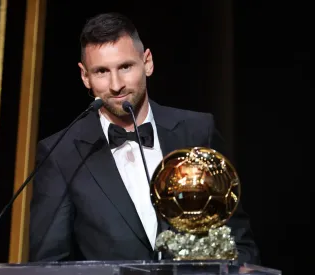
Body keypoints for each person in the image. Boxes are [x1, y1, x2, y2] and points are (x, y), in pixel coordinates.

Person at [28, 12, 260, 264]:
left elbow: (237, 240)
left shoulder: (196, 130)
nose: (116, 84)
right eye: (102, 71)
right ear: (85, 76)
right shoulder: (61, 154)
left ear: (147, 62)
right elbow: (49, 265)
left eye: (125, 67)